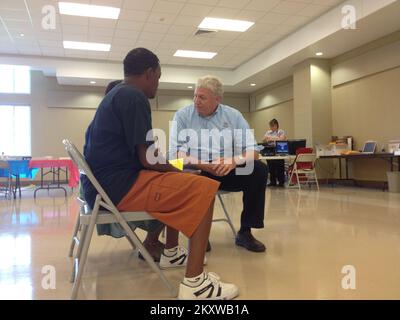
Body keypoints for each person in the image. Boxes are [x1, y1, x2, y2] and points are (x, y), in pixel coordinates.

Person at [81, 48, 238, 300]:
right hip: (117, 187)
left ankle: (172, 252)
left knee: (179, 180)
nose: (158, 83)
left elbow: (142, 156)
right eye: (159, 76)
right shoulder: (134, 97)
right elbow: (147, 158)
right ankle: (195, 285)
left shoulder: (117, 95)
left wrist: (175, 168)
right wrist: (179, 166)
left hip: (104, 186)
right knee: (203, 187)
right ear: (149, 73)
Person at [169, 75, 268, 253]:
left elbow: (253, 150)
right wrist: (203, 165)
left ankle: (245, 231)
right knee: (190, 173)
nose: (196, 101)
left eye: (202, 97)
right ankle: (199, 233)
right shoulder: (183, 116)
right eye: (195, 96)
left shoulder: (233, 115)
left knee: (258, 170)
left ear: (217, 99)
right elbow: (175, 154)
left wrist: (233, 161)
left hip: (225, 167)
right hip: (197, 169)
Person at [263, 119, 287, 187]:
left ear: (276, 125)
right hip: (270, 150)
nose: (271, 128)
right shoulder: (268, 132)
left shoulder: (281, 131)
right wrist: (275, 138)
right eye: (270, 126)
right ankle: (272, 182)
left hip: (279, 150)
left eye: (272, 126)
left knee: (279, 167)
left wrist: (270, 138)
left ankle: (281, 182)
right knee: (271, 167)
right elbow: (264, 139)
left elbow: (282, 139)